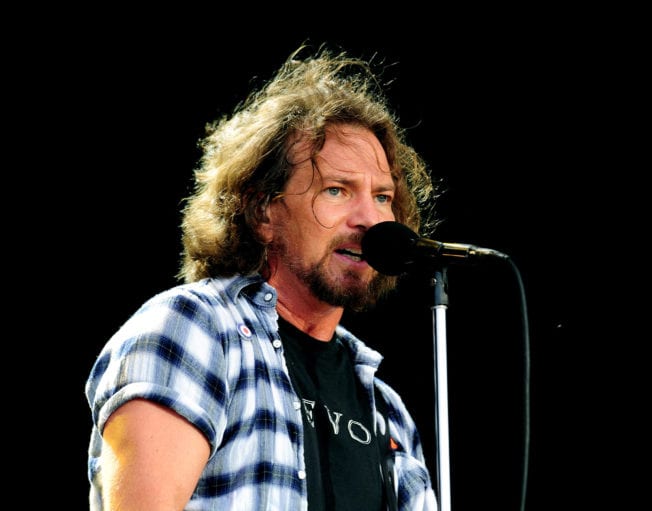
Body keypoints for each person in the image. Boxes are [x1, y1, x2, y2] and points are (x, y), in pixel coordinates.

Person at [85, 44, 440, 510]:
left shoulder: (385, 409)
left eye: (382, 197)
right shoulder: (194, 329)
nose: (370, 220)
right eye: (337, 190)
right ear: (262, 212)